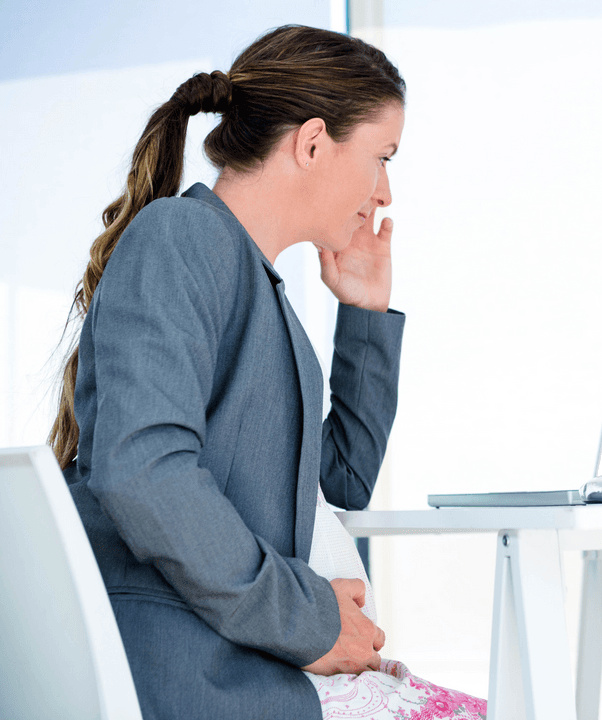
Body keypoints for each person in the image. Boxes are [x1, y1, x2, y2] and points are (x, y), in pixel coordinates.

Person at [50, 25, 485, 720]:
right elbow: (143, 474)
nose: (385, 191)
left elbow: (340, 479)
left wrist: (366, 315)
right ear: (312, 144)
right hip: (208, 674)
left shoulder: (258, 289)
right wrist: (311, 622)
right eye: (381, 157)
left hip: (268, 665)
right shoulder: (183, 238)